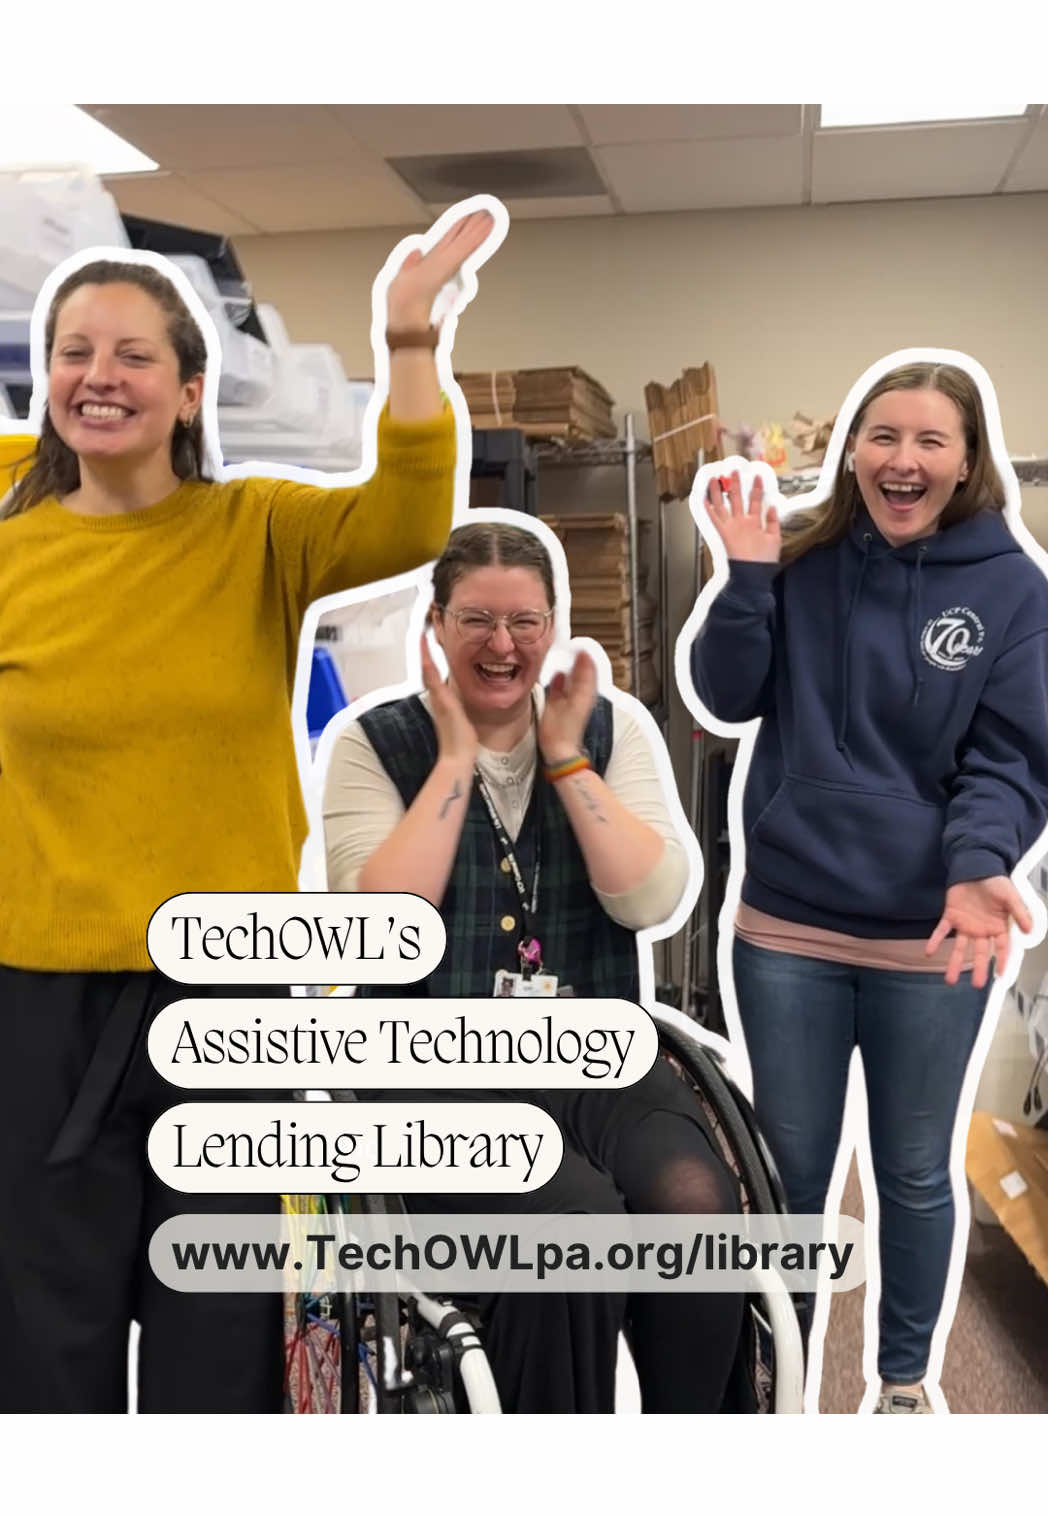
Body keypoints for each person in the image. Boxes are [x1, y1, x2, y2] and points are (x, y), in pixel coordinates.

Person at [0, 208, 495, 1413]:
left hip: (223, 989)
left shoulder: (255, 531)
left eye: (131, 356)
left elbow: (407, 518)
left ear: (189, 390)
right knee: (39, 1329)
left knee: (216, 1326)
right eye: (73, 352)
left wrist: (410, 341)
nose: (97, 378)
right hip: (35, 992)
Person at [323, 520, 748, 1414]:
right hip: (430, 1066)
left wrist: (564, 757)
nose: (503, 644)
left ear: (553, 628)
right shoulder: (373, 745)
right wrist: (451, 759)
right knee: (573, 1220)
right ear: (434, 626)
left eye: (525, 621)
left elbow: (649, 899)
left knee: (696, 1204)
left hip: (593, 1053)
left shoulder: (609, 729)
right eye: (476, 619)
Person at [689, 359, 1048, 1414]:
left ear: (967, 461)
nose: (903, 459)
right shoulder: (799, 562)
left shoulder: (1012, 591)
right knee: (792, 1176)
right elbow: (723, 695)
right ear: (853, 451)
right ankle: (786, 1381)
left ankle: (898, 1387)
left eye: (930, 441)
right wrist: (744, 577)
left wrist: (979, 862)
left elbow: (1012, 758)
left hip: (929, 936)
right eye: (883, 436)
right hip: (787, 930)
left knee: (912, 1171)